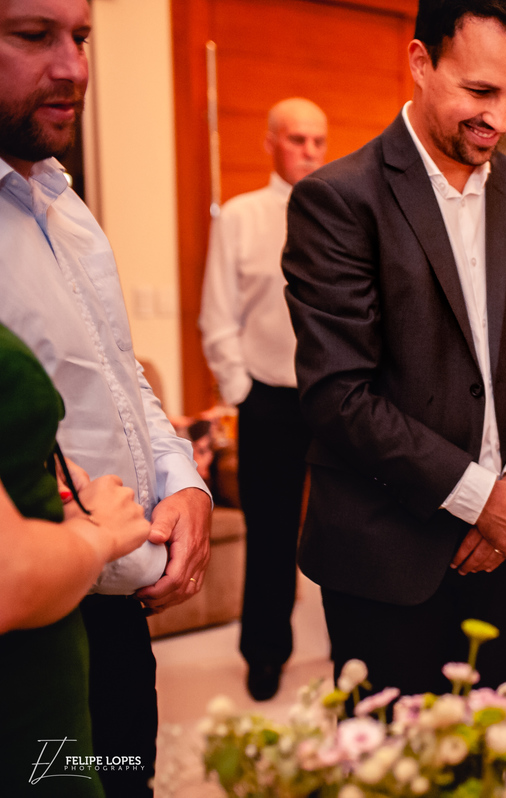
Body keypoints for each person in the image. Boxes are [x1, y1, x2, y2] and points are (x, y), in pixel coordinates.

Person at [282, 0, 506, 698]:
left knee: (497, 757)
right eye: (479, 91)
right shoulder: (338, 199)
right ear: (419, 62)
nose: (501, 119)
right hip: (386, 561)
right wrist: (482, 499)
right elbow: (338, 395)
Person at [0, 2, 213, 794]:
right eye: (33, 36)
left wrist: (183, 478)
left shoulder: (66, 206)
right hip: (29, 631)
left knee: (130, 782)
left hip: (118, 617)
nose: (73, 67)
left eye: (81, 38)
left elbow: (124, 382)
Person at [199, 97, 328, 701]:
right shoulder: (241, 217)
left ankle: (353, 646)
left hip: (337, 400)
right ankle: (266, 653)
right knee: (271, 531)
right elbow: (217, 314)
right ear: (271, 142)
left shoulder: (343, 211)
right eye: (297, 139)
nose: (309, 150)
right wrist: (240, 391)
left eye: (318, 141)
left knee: (347, 527)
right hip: (268, 400)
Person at [0, 322, 153, 798]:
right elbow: (7, 577)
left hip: (57, 688)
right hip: (21, 719)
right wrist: (99, 532)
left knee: (127, 765)